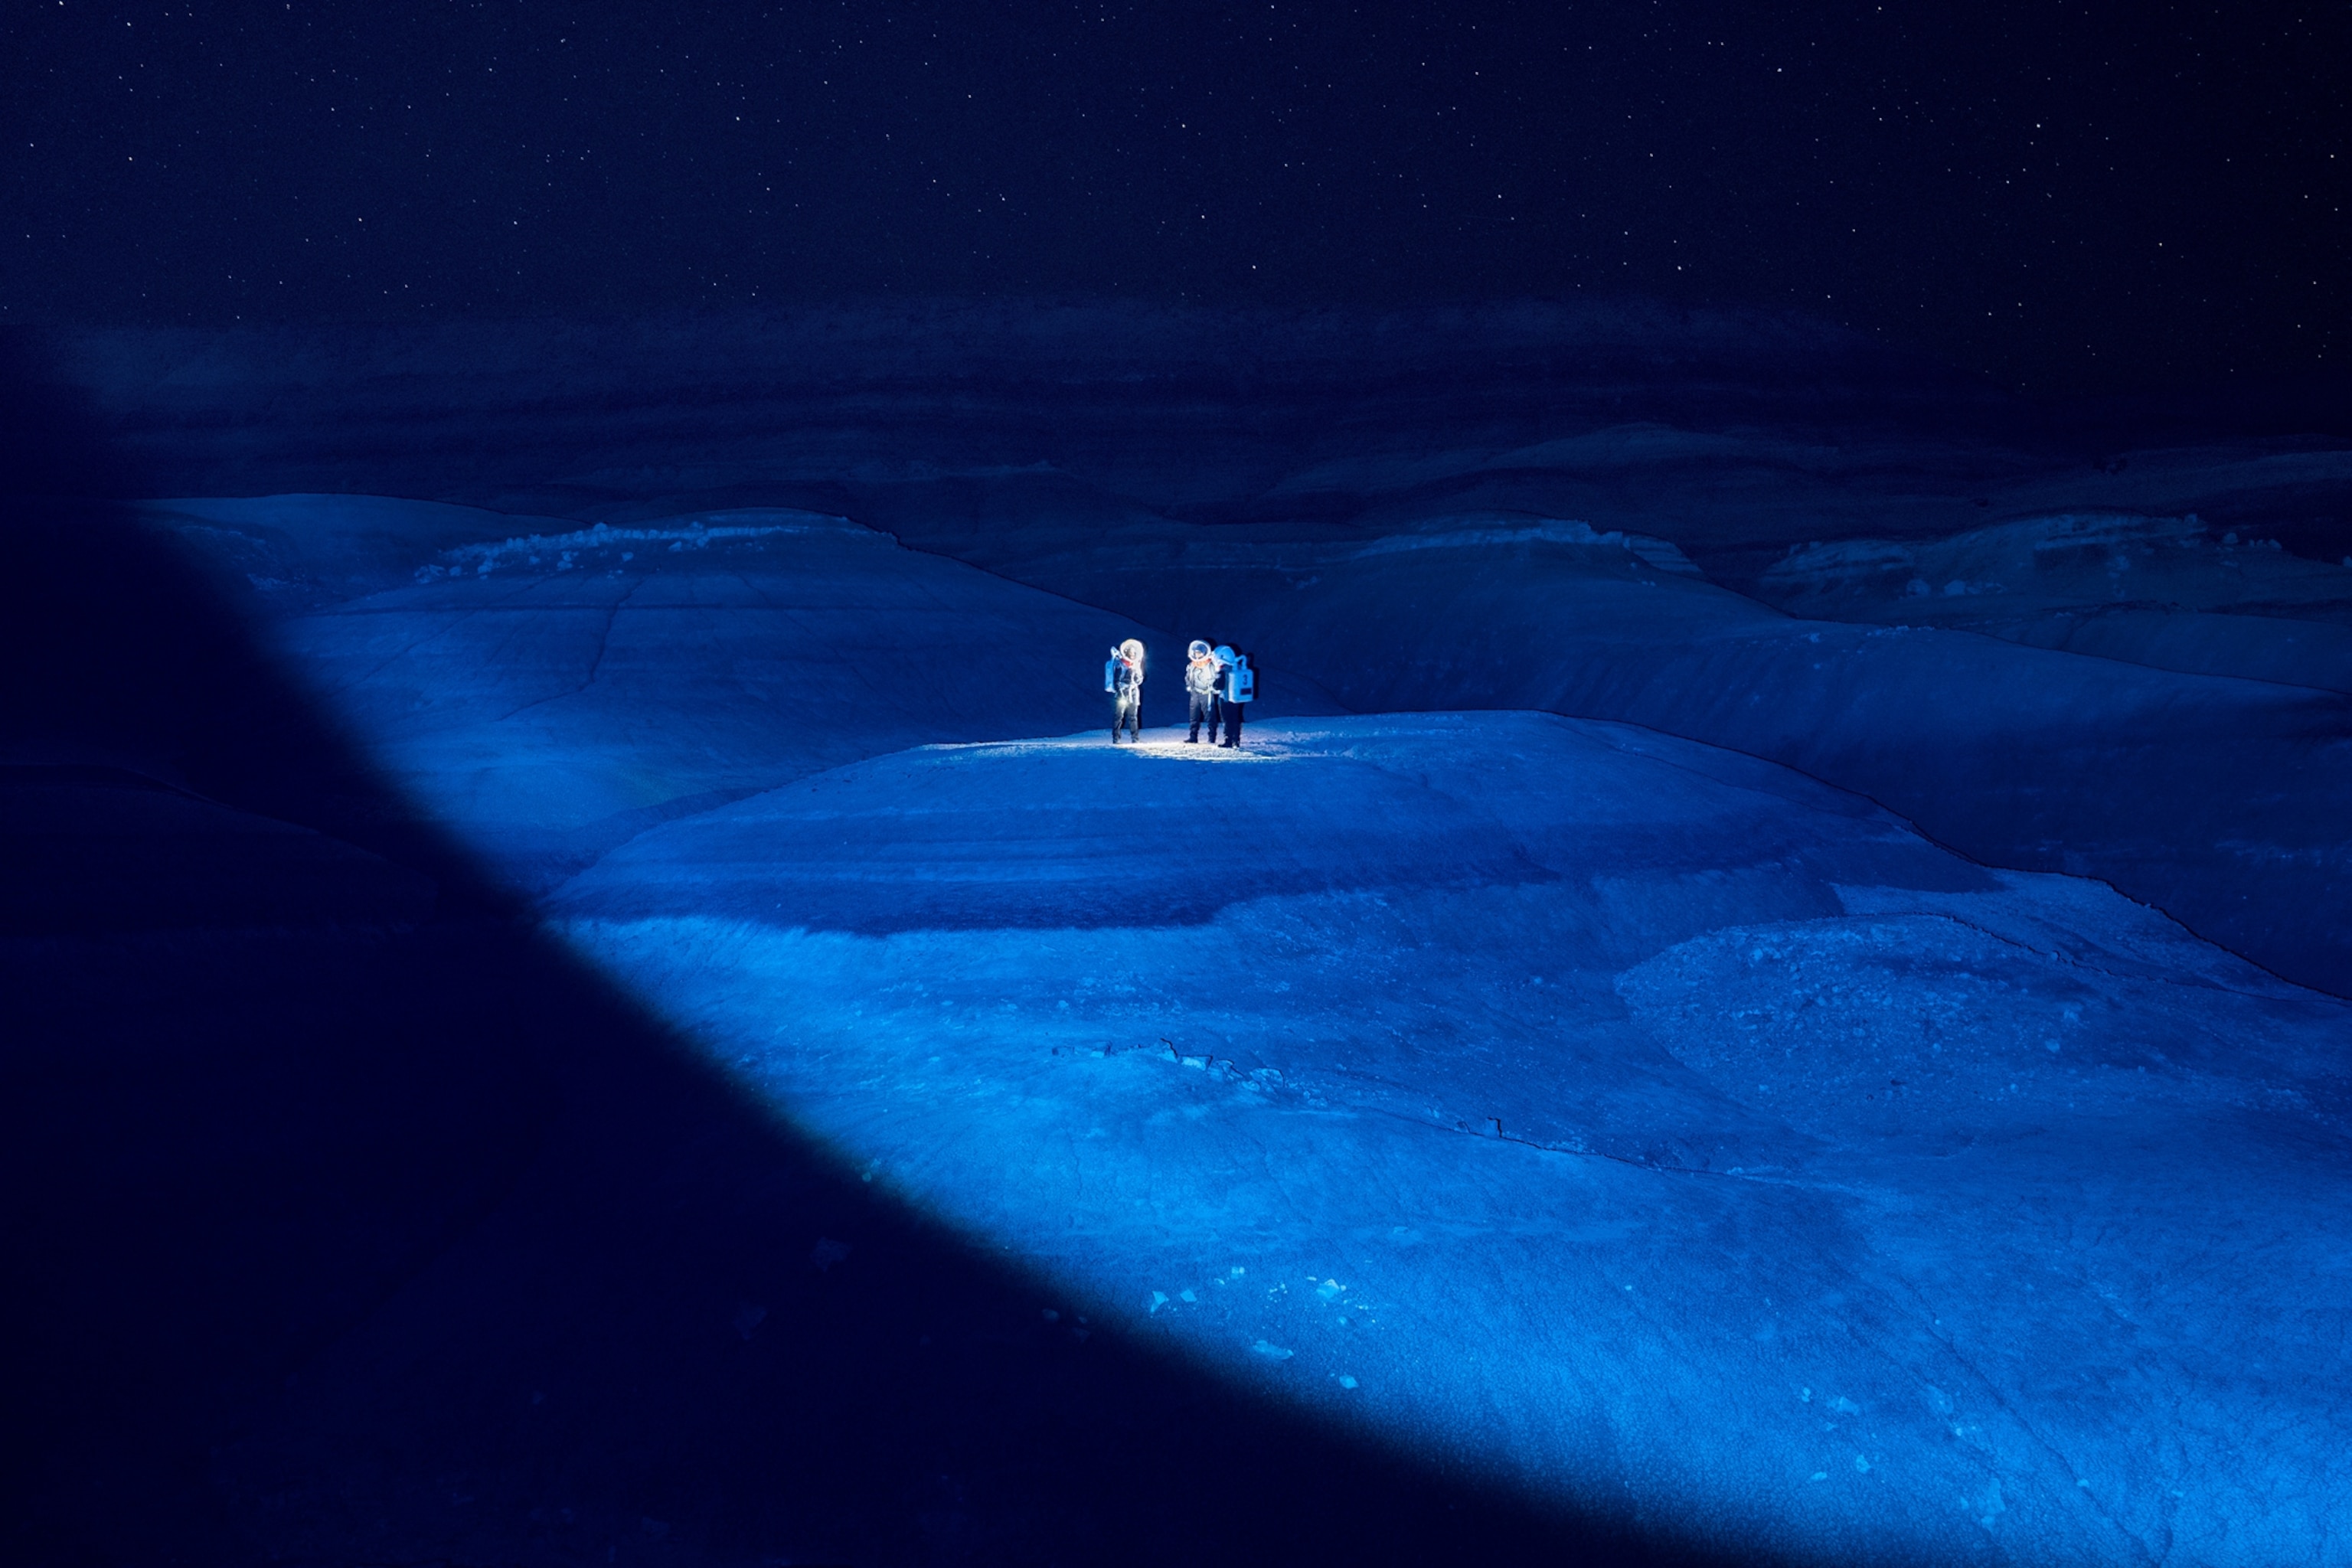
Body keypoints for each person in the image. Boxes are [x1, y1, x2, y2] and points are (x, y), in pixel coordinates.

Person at [1106, 638, 1145, 743]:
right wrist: (1121, 693)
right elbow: (1117, 681)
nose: (1132, 654)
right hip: (1123, 692)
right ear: (1126, 653)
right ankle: (1116, 738)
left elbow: (1139, 680)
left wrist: (1138, 676)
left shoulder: (1136, 665)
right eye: (1131, 652)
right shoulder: (1121, 665)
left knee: (1133, 716)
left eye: (1134, 653)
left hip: (1133, 692)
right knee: (1119, 716)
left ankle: (1135, 738)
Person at [1214, 644, 1253, 748]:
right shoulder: (1238, 667)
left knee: (1227, 720)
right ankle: (1236, 740)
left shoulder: (1223, 670)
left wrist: (1216, 678)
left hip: (1226, 698)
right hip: (1237, 698)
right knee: (1235, 718)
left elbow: (1219, 686)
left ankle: (1228, 741)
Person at [1184, 639, 1222, 743]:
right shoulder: (1192, 665)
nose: (1197, 655)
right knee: (1194, 716)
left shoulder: (1210, 665)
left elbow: (1216, 679)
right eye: (1196, 652)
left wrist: (1211, 688)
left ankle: (1212, 737)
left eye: (1199, 653)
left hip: (1206, 693)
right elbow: (1188, 677)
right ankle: (1193, 736)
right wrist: (1189, 685)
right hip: (1195, 693)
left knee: (1210, 716)